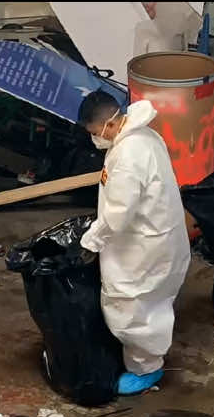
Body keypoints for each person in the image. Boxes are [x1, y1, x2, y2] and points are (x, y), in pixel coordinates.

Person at [77, 90, 192, 396]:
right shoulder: (145, 136)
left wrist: (91, 240)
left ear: (111, 124)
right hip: (156, 235)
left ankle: (146, 367)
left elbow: (119, 213)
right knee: (152, 302)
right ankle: (145, 354)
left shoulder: (128, 155)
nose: (96, 139)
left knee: (131, 307)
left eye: (96, 132)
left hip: (143, 247)